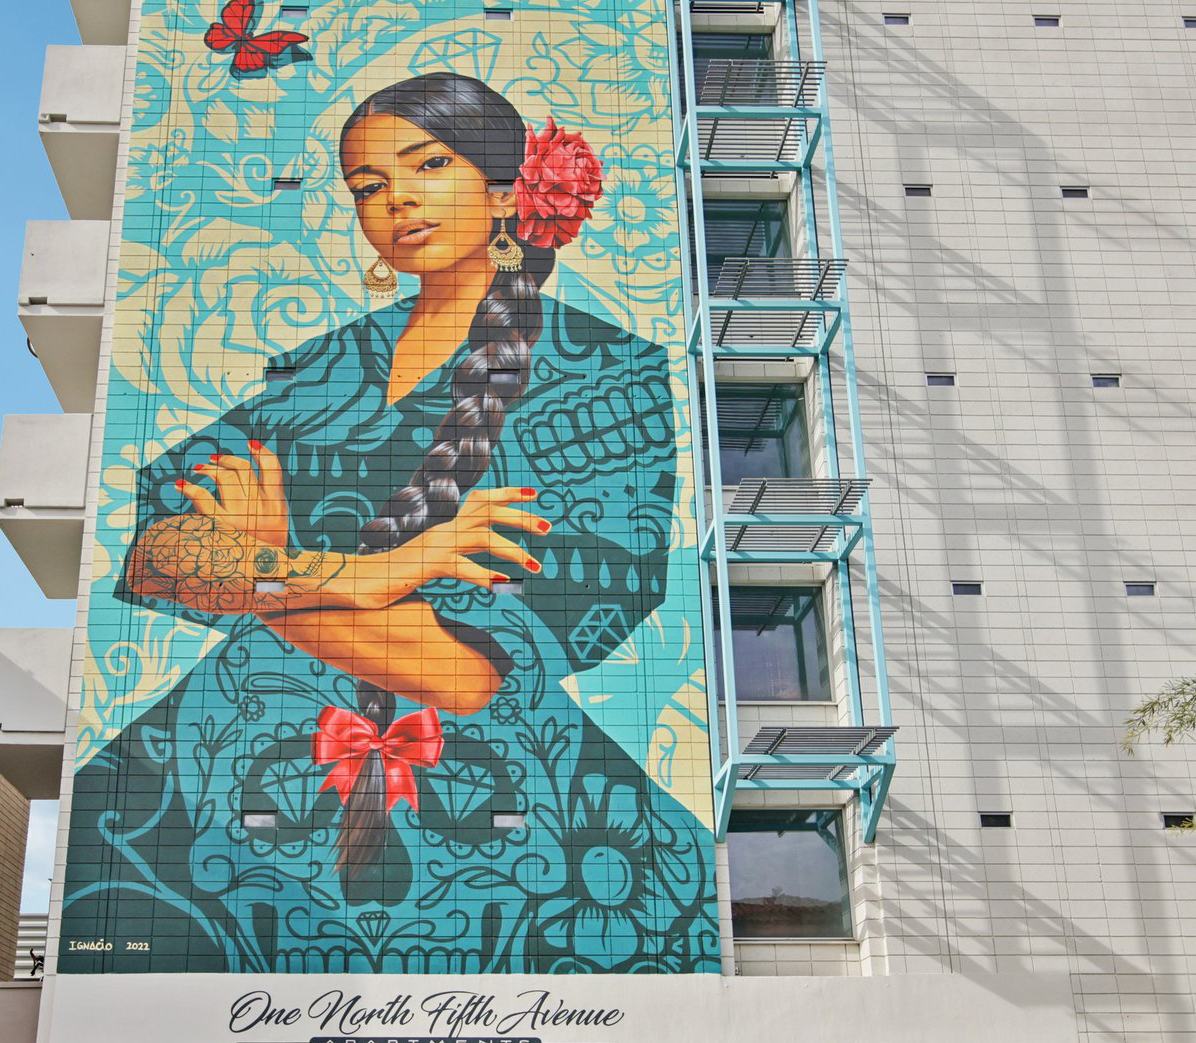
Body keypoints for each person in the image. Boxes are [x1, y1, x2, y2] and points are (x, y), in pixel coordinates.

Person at [66, 72, 716, 974]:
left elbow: (460, 673)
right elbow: (155, 555)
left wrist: (261, 569)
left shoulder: (607, 381)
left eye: (428, 164)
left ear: (505, 189)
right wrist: (373, 575)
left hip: (499, 820)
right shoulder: (317, 372)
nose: (394, 199)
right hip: (224, 795)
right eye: (367, 187)